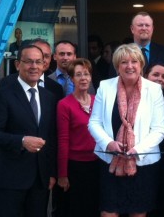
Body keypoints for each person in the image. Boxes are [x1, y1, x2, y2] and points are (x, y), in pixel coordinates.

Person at [88, 43, 164, 217]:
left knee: (138, 213)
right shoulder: (105, 86)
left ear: (141, 65)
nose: (129, 66)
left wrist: (136, 150)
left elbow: (159, 129)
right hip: (110, 161)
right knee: (108, 212)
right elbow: (93, 122)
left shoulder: (154, 90)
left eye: (134, 61)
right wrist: (108, 143)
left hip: (143, 163)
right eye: (124, 62)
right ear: (117, 66)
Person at [0, 44, 57, 217]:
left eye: (38, 62)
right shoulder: (4, 95)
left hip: (40, 180)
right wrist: (21, 141)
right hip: (11, 180)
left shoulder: (49, 97)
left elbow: (51, 138)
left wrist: (52, 173)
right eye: (29, 62)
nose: (34, 66)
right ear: (18, 65)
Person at [57, 58, 100, 217]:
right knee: (77, 209)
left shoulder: (98, 101)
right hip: (75, 167)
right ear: (71, 78)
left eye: (86, 74)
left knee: (95, 207)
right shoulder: (64, 104)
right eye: (78, 75)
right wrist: (62, 174)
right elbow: (63, 140)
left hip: (97, 164)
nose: (83, 78)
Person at [144, 62, 164, 217]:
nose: (160, 79)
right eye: (155, 74)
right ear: (145, 75)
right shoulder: (135, 98)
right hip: (142, 158)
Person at [0, 39, 64, 102]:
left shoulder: (56, 88)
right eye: (36, 55)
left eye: (46, 56)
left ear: (51, 58)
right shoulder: (6, 83)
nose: (42, 60)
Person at [130, 11, 164, 92]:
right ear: (132, 29)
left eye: (147, 25)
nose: (144, 28)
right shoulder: (121, 54)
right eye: (140, 25)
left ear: (152, 29)